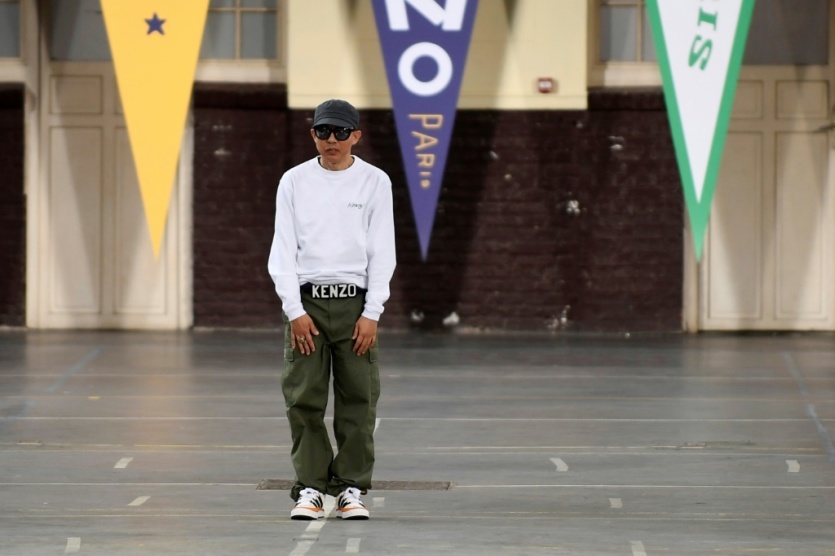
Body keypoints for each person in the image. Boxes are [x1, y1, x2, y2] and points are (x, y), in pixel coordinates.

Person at [268, 99, 396, 520]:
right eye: (324, 131)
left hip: (355, 306)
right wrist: (293, 310)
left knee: (359, 399)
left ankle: (350, 488)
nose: (332, 140)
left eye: (341, 132)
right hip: (306, 305)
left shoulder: (375, 182)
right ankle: (311, 488)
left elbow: (383, 251)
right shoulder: (294, 181)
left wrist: (372, 312)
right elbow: (282, 250)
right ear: (313, 134)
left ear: (356, 135)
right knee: (303, 398)